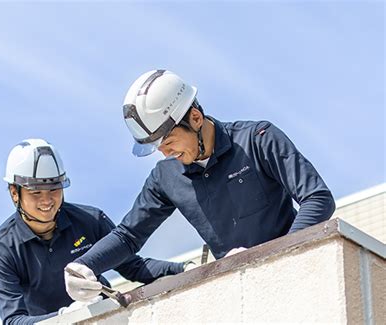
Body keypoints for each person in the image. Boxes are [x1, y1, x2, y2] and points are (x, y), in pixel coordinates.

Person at [64, 69, 336, 301]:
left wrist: (273, 257)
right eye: (158, 148)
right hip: (240, 294)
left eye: (168, 142)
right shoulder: (165, 177)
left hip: (297, 281)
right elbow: (128, 236)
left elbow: (318, 198)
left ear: (194, 117)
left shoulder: (258, 139)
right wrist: (84, 265)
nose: (165, 154)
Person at [0, 139, 186, 324]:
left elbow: (134, 267)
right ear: (15, 193)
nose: (46, 200)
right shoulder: (3, 250)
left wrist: (183, 269)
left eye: (54, 189)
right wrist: (64, 318)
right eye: (36, 192)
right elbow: (14, 321)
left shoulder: (89, 221)